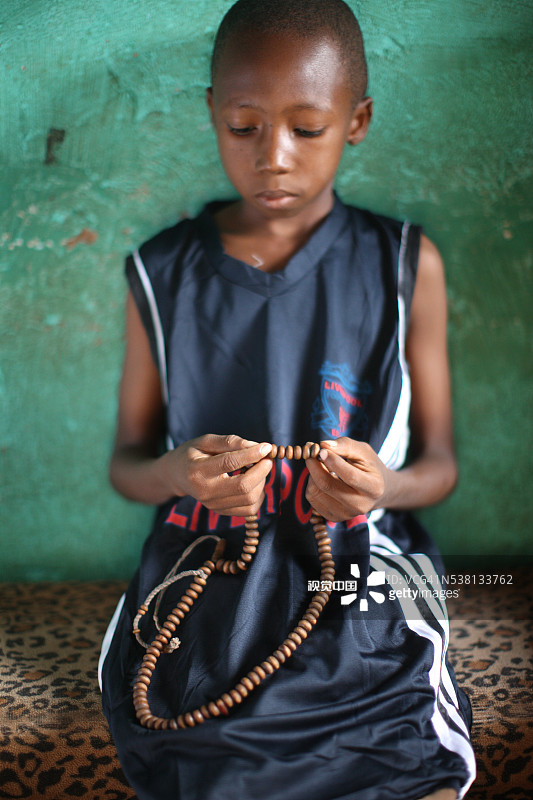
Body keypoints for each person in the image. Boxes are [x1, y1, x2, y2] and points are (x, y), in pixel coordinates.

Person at [99, 1, 476, 797]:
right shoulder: (160, 273)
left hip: (368, 554)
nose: (273, 157)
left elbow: (437, 466)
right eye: (243, 126)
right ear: (211, 113)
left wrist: (384, 486)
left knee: (402, 746)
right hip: (203, 555)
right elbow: (127, 466)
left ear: (357, 120)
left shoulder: (405, 264)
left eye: (306, 129)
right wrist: (176, 475)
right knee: (202, 737)